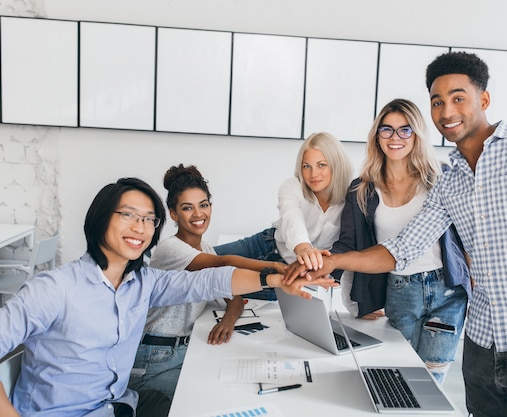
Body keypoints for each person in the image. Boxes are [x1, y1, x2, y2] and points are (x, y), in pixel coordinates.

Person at [286, 51, 507, 417]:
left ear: (484, 99)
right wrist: (328, 262)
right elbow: (402, 249)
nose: (447, 112)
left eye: (458, 98)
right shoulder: (451, 180)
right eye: (437, 102)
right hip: (481, 339)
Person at [0, 177, 336, 417]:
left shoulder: (143, 283)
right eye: (128, 215)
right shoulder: (54, 288)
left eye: (148, 219)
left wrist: (278, 279)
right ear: (100, 219)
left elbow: (209, 281)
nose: (140, 226)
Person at [330, 98, 470, 383]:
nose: (396, 138)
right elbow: (347, 245)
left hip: (446, 292)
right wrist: (324, 274)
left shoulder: (440, 177)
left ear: (417, 135)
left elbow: (468, 236)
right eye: (387, 130)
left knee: (431, 381)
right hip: (399, 291)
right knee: (400, 376)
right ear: (377, 135)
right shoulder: (362, 189)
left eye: (405, 130)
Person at [129, 165, 286, 402]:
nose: (198, 214)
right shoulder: (170, 249)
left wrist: (228, 320)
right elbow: (222, 263)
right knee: (214, 398)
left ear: (211, 206)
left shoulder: (205, 248)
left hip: (183, 349)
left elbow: (233, 295)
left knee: (237, 386)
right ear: (173, 214)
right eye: (187, 208)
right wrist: (274, 267)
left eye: (203, 205)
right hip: (156, 356)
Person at [214, 131, 353, 300]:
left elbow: (352, 248)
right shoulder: (292, 186)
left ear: (336, 165)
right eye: (306, 166)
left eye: (321, 165)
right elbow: (291, 219)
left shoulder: (351, 198)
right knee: (200, 263)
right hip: (266, 245)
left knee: (218, 288)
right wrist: (304, 248)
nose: (313, 174)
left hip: (291, 274)